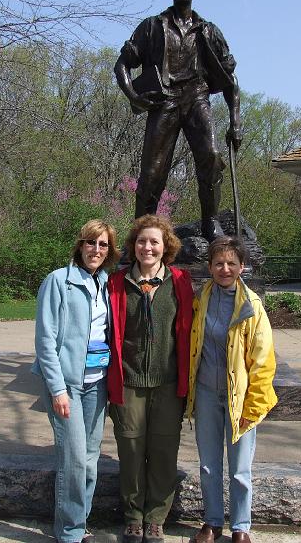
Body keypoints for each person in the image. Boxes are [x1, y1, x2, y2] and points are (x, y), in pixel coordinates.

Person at [114, 0, 242, 242]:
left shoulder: (208, 30)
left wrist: (235, 122)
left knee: (211, 156)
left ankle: (211, 222)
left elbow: (231, 80)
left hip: (197, 97)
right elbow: (122, 64)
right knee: (152, 171)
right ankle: (141, 231)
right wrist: (134, 97)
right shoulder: (152, 26)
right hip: (165, 100)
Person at [31, 219, 120, 543]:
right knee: (73, 460)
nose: (96, 250)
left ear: (109, 251)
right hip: (67, 384)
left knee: (90, 460)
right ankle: (69, 532)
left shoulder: (107, 284)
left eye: (103, 245)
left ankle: (80, 523)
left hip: (97, 382)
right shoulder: (58, 281)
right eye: (90, 243)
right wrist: (57, 389)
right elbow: (45, 340)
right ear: (80, 245)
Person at [107, 214, 194, 543]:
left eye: (154, 241)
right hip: (129, 383)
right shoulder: (117, 283)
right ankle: (132, 515)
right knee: (130, 450)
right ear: (134, 245)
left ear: (165, 246)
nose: (148, 247)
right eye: (142, 241)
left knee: (163, 450)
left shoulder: (180, 281)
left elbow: (188, 330)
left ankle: (156, 517)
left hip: (168, 383)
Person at [185, 236, 278, 543]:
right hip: (207, 394)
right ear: (210, 266)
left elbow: (263, 362)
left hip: (240, 398)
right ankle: (211, 523)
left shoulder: (252, 306)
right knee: (209, 465)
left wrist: (254, 407)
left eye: (231, 263)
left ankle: (241, 526)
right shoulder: (201, 299)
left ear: (242, 267)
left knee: (240, 468)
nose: (225, 269)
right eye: (218, 263)